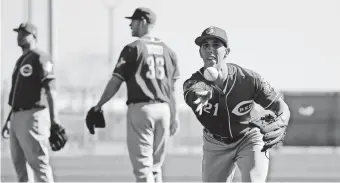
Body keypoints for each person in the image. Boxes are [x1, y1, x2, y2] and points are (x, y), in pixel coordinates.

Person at [183, 26, 291, 182]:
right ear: (200, 52)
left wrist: (282, 122)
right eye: (205, 46)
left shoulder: (249, 79)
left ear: (226, 52)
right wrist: (199, 94)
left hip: (249, 137)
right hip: (215, 144)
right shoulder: (193, 83)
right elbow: (193, 91)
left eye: (216, 45)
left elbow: (281, 106)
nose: (210, 49)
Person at [89, 7, 180, 183]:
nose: (130, 24)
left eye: (134, 21)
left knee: (143, 169)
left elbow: (115, 82)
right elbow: (172, 90)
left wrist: (99, 105)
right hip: (164, 110)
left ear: (144, 22)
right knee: (155, 167)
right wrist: (174, 116)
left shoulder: (133, 49)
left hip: (142, 109)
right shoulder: (169, 52)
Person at [0, 22, 63, 182]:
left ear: (34, 36)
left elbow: (50, 90)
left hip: (33, 115)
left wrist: (55, 121)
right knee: (20, 167)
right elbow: (16, 95)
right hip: (17, 116)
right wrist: (9, 120)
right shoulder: (20, 61)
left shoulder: (40, 57)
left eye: (24, 33)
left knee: (39, 163)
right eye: (19, 33)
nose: (20, 36)